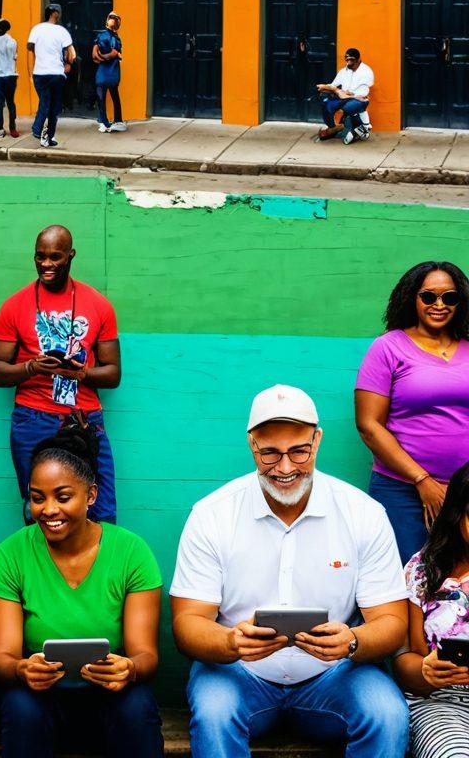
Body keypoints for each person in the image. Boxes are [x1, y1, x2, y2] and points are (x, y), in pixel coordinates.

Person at [171, 384, 409, 758]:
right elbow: (187, 624)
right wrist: (230, 642)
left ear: (317, 441)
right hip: (238, 674)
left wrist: (352, 642)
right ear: (252, 444)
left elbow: (393, 622)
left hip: (335, 674)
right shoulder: (212, 515)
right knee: (215, 713)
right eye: (270, 453)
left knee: (388, 714)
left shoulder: (362, 513)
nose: (284, 468)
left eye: (299, 451)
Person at [0, 420, 164, 758]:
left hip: (108, 696)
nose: (48, 510)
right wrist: (22, 669)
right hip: (39, 697)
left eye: (63, 497)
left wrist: (130, 668)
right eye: (37, 498)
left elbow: (146, 655)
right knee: (20, 705)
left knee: (137, 704)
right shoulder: (11, 554)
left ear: (91, 495)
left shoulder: (131, 552)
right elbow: (1, 658)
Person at [0, 224, 120, 523]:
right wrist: (31, 367)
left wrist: (82, 374)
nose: (46, 264)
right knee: (39, 512)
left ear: (71, 256)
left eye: (55, 257)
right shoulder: (14, 306)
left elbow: (113, 374)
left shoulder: (98, 305)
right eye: (40, 257)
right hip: (33, 418)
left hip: (84, 419)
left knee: (101, 511)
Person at [355, 260, 469, 564]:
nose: (439, 305)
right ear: (412, 298)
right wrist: (422, 480)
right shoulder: (388, 348)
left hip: (465, 492)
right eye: (429, 296)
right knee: (406, 578)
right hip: (402, 490)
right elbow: (369, 425)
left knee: (460, 585)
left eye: (450, 297)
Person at [393, 460, 469, 758]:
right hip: (442, 704)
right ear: (456, 514)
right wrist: (426, 671)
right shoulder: (423, 569)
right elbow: (406, 659)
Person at [28, 4, 75, 149]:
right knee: (54, 106)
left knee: (44, 101)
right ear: (55, 13)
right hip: (56, 73)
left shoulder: (36, 29)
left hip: (39, 73)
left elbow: (30, 49)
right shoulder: (62, 31)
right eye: (58, 12)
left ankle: (41, 133)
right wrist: (68, 64)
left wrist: (31, 70)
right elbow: (72, 54)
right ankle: (44, 134)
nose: (60, 14)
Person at [317, 48, 374, 144]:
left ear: (358, 59)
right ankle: (333, 127)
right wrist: (325, 87)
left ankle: (362, 128)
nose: (348, 62)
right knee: (325, 102)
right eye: (347, 60)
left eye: (351, 60)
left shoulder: (366, 71)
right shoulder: (344, 71)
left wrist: (353, 94)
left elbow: (366, 90)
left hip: (358, 98)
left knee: (348, 108)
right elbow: (333, 84)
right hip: (342, 97)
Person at [92, 13, 125, 134]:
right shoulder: (102, 36)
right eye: (111, 19)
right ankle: (104, 121)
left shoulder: (115, 38)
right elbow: (96, 54)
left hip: (111, 69)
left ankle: (116, 120)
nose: (112, 21)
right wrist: (102, 56)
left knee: (112, 94)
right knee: (102, 95)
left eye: (115, 19)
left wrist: (102, 56)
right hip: (105, 70)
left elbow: (113, 53)